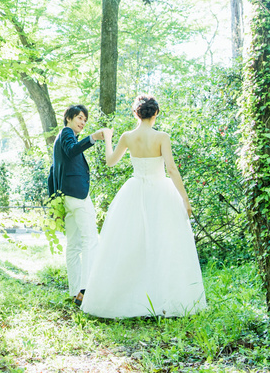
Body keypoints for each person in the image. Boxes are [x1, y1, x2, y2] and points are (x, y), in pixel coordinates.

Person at [81, 95, 207, 318]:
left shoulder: (128, 136)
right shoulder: (162, 137)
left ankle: (132, 299)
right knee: (164, 244)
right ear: (155, 113)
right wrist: (185, 200)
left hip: (135, 191)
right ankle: (163, 300)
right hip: (161, 192)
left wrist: (108, 138)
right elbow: (171, 169)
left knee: (132, 244)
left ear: (135, 114)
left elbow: (110, 161)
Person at [47, 104, 111, 307]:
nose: (82, 122)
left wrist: (54, 202)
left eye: (85, 120)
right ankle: (86, 289)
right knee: (90, 240)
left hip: (66, 198)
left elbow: (51, 174)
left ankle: (75, 291)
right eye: (79, 118)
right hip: (77, 195)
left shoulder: (61, 138)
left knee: (74, 246)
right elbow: (73, 150)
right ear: (68, 118)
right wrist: (93, 138)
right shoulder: (66, 134)